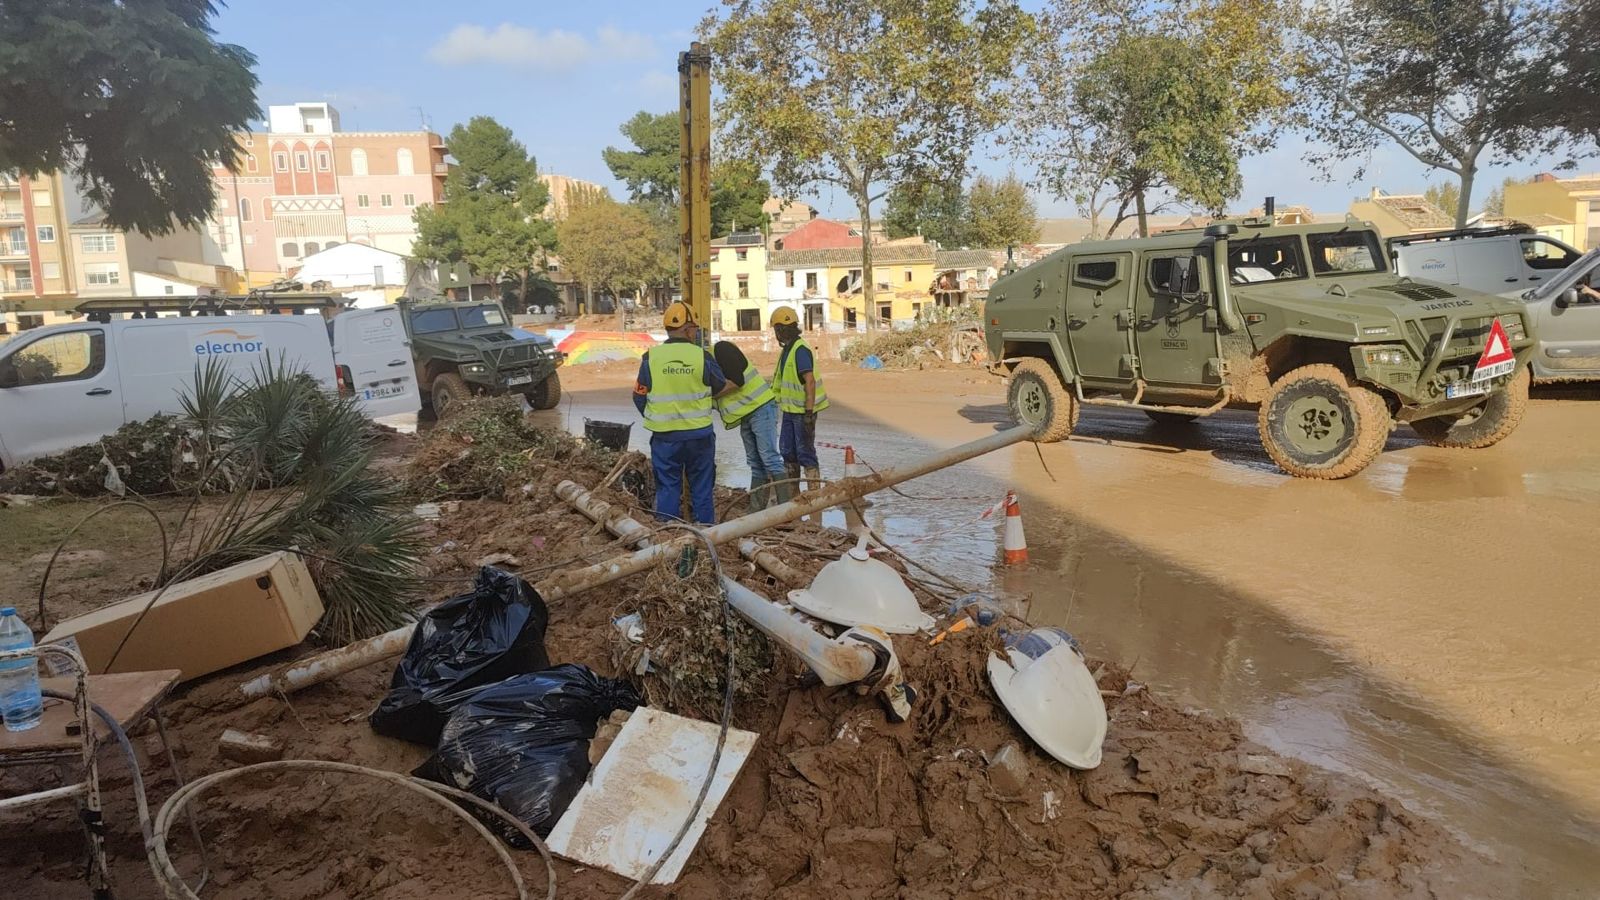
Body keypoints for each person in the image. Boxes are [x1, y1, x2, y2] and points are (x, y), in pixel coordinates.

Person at [633, 302, 730, 524]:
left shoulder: (651, 358)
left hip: (665, 438)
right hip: (699, 436)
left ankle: (667, 540)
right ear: (687, 329)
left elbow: (639, 396)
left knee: (667, 488)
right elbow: (719, 384)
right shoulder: (701, 356)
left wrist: (656, 418)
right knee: (702, 489)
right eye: (694, 328)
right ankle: (705, 536)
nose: (696, 332)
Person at [712, 339, 786, 512]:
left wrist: (708, 395)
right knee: (755, 461)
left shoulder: (721, 350)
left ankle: (786, 508)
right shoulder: (710, 363)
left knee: (769, 457)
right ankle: (756, 507)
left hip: (761, 407)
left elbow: (737, 381)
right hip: (747, 413)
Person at [770, 306, 828, 495]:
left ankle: (813, 495)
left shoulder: (800, 350)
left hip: (802, 412)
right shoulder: (788, 349)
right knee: (787, 451)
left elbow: (809, 381)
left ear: (780, 329)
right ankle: (793, 495)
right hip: (790, 411)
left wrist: (809, 413)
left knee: (805, 453)